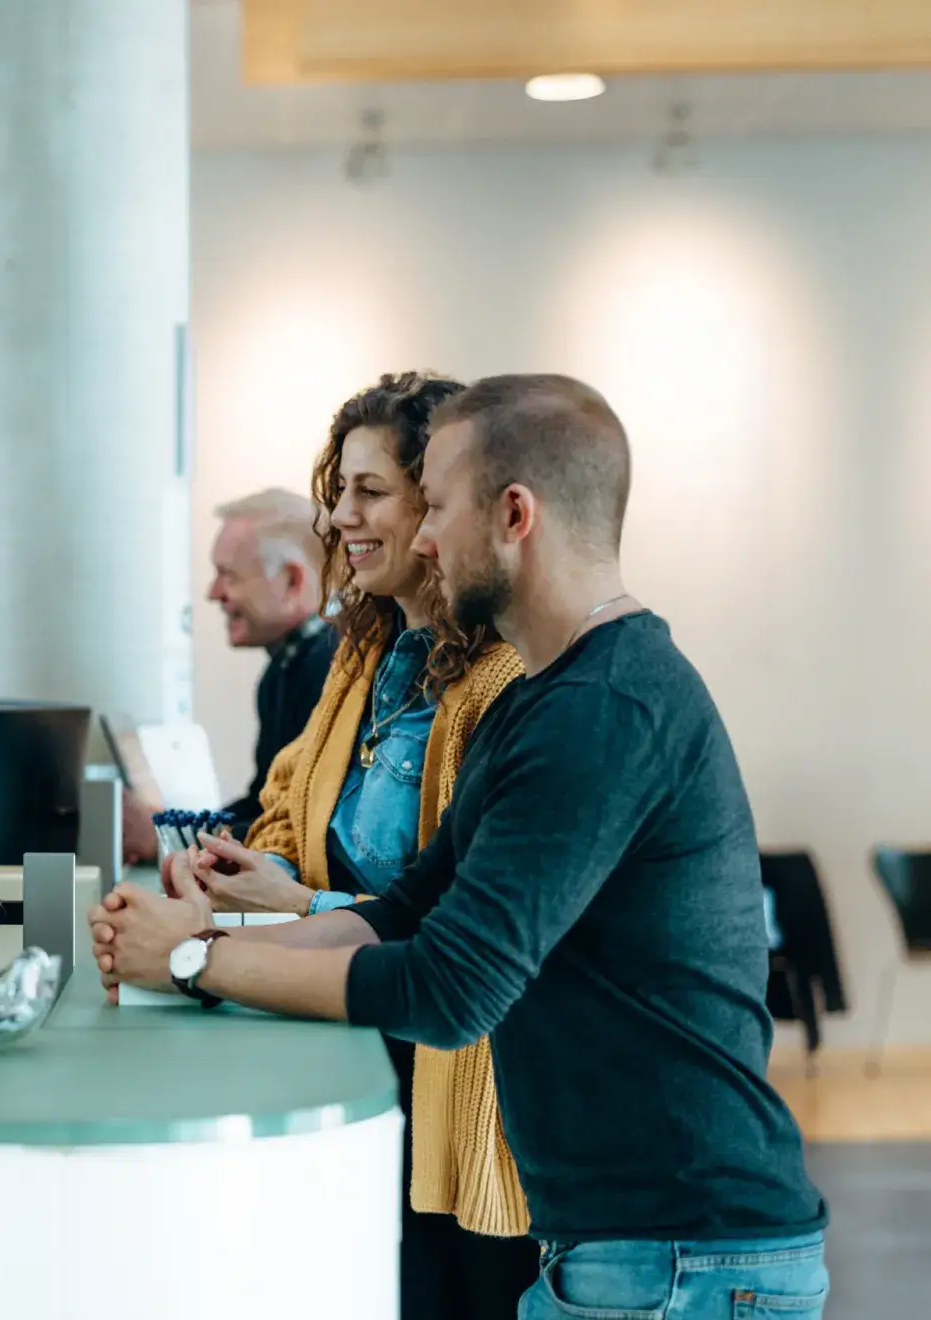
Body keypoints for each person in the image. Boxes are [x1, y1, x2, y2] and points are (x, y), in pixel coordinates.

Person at [93, 375, 828, 1319]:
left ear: (514, 515)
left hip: (681, 1259)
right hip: (637, 1250)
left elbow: (448, 986)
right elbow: (401, 916)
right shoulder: (545, 700)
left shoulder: (601, 712)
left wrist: (197, 960)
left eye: (433, 506)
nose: (423, 538)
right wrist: (192, 948)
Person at [190, 374, 535, 1319]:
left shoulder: (503, 685)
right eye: (337, 490)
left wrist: (282, 909)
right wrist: (252, 876)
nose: (340, 516)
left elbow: (453, 932)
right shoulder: (365, 650)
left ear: (442, 501)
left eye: (369, 491)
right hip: (359, 1042)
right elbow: (286, 801)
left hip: (463, 1092)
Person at [120, 488, 336, 861]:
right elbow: (262, 805)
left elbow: (292, 828)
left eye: (228, 575)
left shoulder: (328, 671)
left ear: (291, 581)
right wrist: (170, 825)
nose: (212, 592)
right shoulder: (284, 670)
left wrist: (166, 839)